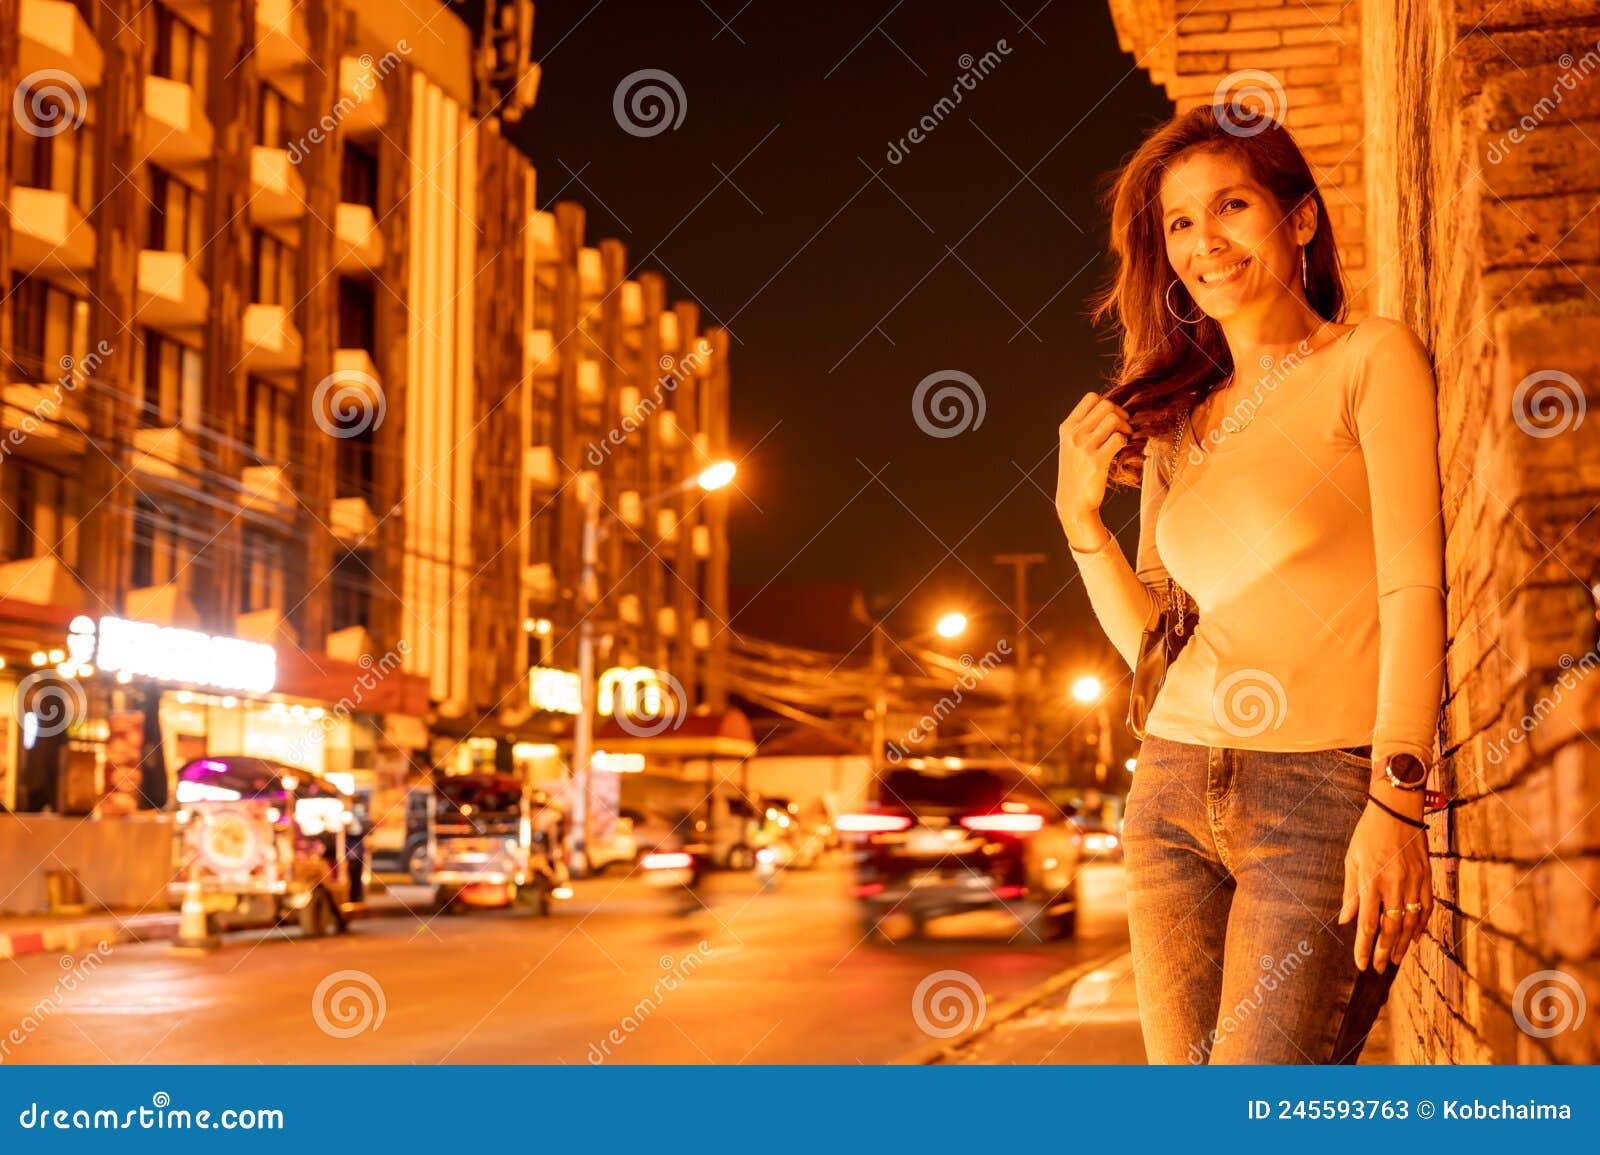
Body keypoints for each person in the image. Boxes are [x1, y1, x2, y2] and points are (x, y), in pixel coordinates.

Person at [1056, 104, 1443, 1064]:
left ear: (1300, 219)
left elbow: (1412, 586)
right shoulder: (1180, 422)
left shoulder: (1369, 360)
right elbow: (1158, 647)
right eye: (1179, 223)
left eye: (1231, 204)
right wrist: (1079, 525)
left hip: (1322, 793)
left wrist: (1397, 795)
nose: (1204, 241)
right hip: (1173, 790)